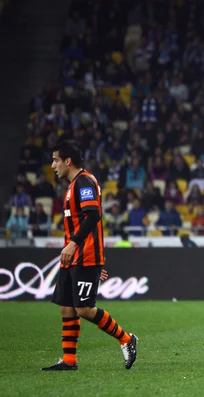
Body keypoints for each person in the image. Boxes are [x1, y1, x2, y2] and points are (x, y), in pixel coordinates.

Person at [41, 139, 138, 371]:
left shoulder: (84, 182)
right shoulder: (73, 186)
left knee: (84, 309)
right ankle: (69, 361)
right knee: (66, 307)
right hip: (73, 258)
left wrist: (75, 245)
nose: (53, 165)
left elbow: (93, 215)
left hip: (84, 255)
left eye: (55, 160)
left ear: (67, 161)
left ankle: (126, 339)